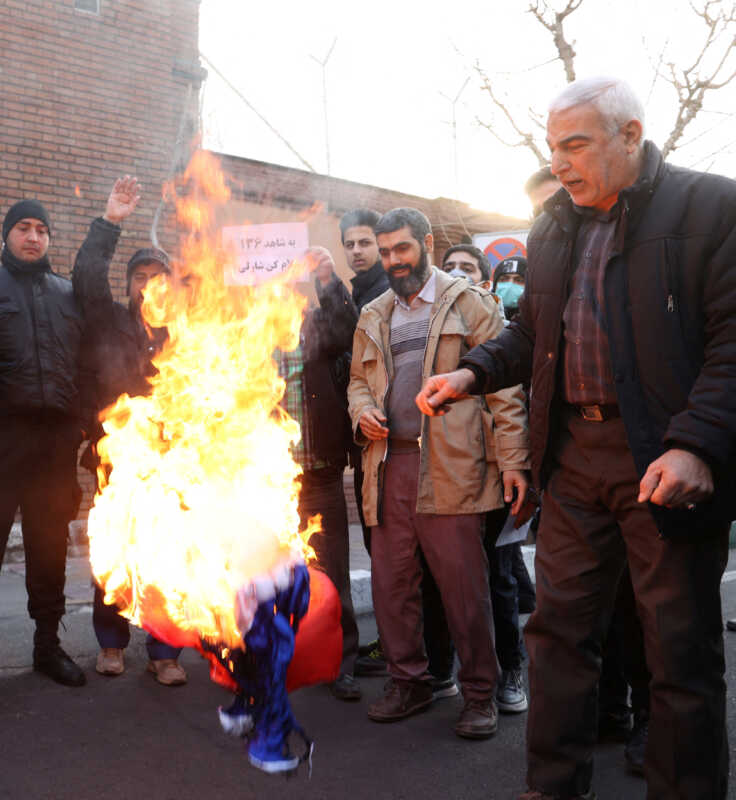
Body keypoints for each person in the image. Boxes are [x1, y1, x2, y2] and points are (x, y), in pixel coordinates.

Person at [417, 76, 734, 800]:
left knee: (678, 651)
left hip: (668, 456)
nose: (559, 162)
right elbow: (535, 332)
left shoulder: (711, 207)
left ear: (630, 135)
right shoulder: (556, 223)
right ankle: (550, 787)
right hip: (575, 460)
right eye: (552, 146)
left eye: (575, 144)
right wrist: (471, 374)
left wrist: (697, 444)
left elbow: (732, 343)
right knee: (557, 636)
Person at [348, 207, 530, 741]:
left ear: (425, 242)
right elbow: (358, 380)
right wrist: (361, 411)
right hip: (389, 464)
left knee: (463, 588)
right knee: (392, 584)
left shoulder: (470, 302)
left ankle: (479, 694)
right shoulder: (374, 313)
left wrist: (514, 462)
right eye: (384, 253)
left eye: (402, 249)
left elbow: (506, 389)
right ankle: (410, 682)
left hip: (453, 463)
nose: (393, 261)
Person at [0, 199, 88, 688]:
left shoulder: (69, 294)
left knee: (49, 547)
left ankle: (47, 644)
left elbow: (86, 367)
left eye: (41, 230)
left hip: (54, 444)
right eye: (24, 228)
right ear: (7, 235)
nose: (33, 237)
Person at [72, 176, 187, 686]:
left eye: (156, 275)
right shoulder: (109, 320)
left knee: (169, 552)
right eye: (139, 276)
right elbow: (86, 277)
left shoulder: (188, 337)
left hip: (173, 462)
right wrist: (110, 221)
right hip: (117, 460)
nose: (148, 284)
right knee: (116, 546)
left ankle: (165, 652)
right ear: (129, 283)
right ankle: (112, 643)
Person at [274, 246, 362, 700]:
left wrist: (327, 277)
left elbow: (350, 329)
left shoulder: (320, 328)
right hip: (267, 482)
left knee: (331, 576)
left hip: (320, 475)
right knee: (271, 574)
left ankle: (339, 663)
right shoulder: (243, 338)